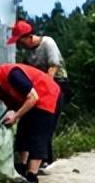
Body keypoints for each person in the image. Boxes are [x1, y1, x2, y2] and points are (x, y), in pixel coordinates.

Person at [7, 20, 69, 168]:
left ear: (29, 37)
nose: (21, 46)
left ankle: (45, 158)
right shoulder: (28, 53)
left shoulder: (47, 43)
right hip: (40, 88)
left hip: (56, 84)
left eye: (21, 41)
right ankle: (30, 159)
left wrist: (45, 92)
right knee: (32, 121)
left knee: (46, 121)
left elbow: (53, 67)